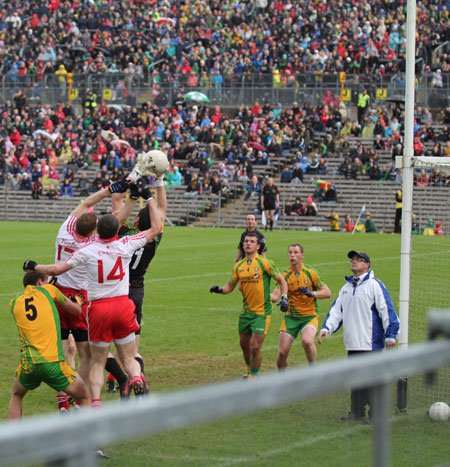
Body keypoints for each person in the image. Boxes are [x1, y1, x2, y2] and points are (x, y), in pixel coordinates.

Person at [23, 197, 162, 408]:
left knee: (96, 361)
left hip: (98, 308)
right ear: (117, 231)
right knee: (128, 358)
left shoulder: (87, 249)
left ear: (98, 231)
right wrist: (150, 198)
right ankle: (135, 378)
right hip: (123, 305)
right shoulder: (126, 243)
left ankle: (95, 402)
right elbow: (156, 228)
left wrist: (35, 265)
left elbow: (56, 270)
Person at [50, 179, 132, 411]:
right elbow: (118, 221)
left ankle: (62, 404)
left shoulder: (65, 228)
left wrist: (110, 189)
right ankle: (79, 396)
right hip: (79, 300)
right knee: (85, 353)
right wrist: (130, 197)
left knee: (65, 352)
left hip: (58, 294)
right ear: (92, 231)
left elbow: (87, 202)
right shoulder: (92, 243)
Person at [318, 251, 399, 423]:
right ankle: (357, 411)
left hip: (371, 343)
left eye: (358, 260)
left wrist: (391, 334)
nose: (354, 262)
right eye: (352, 259)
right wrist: (327, 328)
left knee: (371, 380)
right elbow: (336, 312)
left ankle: (377, 415)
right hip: (352, 342)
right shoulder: (346, 288)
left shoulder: (374, 285)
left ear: (367, 265)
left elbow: (387, 310)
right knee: (355, 379)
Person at [8, 271, 91, 419]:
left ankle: (13, 440)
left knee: (17, 394)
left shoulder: (14, 302)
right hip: (52, 363)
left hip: (29, 364)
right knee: (84, 395)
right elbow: (76, 311)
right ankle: (89, 440)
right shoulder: (50, 290)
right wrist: (77, 300)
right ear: (40, 283)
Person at [210, 233, 288, 379]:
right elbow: (230, 286)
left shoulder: (265, 263)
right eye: (246, 241)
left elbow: (281, 280)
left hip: (262, 313)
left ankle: (253, 376)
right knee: (244, 346)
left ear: (258, 246)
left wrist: (284, 298)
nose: (248, 243)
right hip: (245, 313)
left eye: (252, 241)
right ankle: (248, 370)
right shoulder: (239, 266)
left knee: (255, 347)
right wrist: (219, 290)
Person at [272, 244, 331, 369]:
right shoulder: (285, 276)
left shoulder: (311, 273)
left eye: (296, 252)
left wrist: (312, 293)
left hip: (309, 316)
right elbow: (275, 296)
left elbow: (327, 292)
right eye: (290, 252)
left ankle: (313, 368)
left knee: (307, 341)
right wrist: (261, 294)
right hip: (291, 317)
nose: (292, 255)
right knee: (282, 352)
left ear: (302, 255)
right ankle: (281, 379)